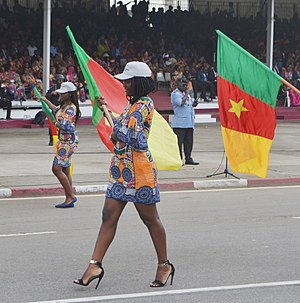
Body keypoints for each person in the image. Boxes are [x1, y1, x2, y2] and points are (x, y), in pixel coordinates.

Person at [73, 61, 175, 289]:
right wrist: (110, 115)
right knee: (108, 216)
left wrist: (116, 128)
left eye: (128, 81)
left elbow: (131, 136)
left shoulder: (144, 105)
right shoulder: (132, 106)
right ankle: (94, 265)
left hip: (139, 172)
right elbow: (120, 132)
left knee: (150, 219)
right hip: (121, 169)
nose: (124, 85)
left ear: (138, 83)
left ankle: (164, 264)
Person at [41, 82, 81, 208]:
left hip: (67, 142)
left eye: (63, 94)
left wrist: (57, 123)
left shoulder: (71, 108)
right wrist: (45, 100)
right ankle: (68, 197)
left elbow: (67, 125)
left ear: (69, 95)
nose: (60, 95)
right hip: (64, 141)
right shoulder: (64, 107)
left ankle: (71, 196)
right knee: (65, 169)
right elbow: (55, 110)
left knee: (56, 168)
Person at [171, 78, 199, 165]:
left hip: (189, 122)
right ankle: (179, 159)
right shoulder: (175, 94)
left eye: (186, 85)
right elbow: (181, 103)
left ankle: (188, 158)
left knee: (189, 142)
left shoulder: (186, 95)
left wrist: (194, 104)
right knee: (178, 143)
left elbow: (188, 105)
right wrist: (187, 92)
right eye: (183, 85)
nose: (185, 86)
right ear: (178, 84)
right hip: (179, 123)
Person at [45, 74, 65, 145]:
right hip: (54, 109)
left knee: (63, 124)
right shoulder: (53, 88)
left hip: (63, 109)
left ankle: (62, 138)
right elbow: (46, 97)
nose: (61, 82)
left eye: (62, 80)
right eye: (59, 80)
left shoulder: (65, 89)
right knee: (53, 124)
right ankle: (51, 139)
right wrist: (52, 94)